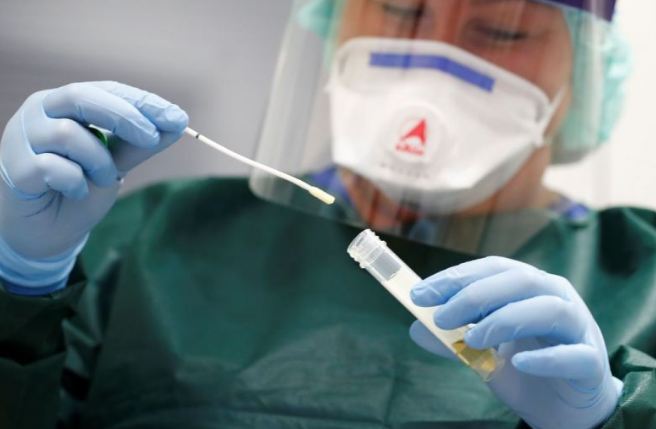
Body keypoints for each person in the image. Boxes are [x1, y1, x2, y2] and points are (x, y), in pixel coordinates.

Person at [0, 0, 653, 428]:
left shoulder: (642, 283)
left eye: (503, 30)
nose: (434, 55)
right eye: (401, 9)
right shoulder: (152, 240)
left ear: (587, 72)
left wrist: (609, 417)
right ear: (335, 21)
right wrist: (21, 284)